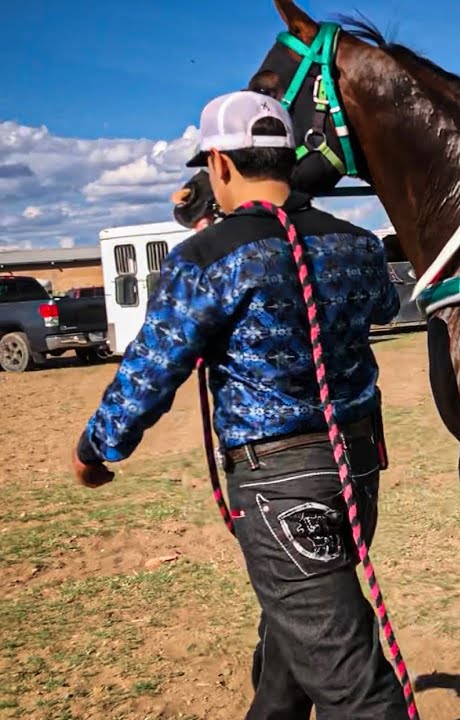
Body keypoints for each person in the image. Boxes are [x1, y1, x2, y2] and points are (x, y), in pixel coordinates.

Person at [72, 90, 408, 719]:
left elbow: (152, 368)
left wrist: (97, 447)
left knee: (351, 680)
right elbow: (386, 308)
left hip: (279, 482)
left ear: (220, 165)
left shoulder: (207, 258)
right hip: (357, 463)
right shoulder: (358, 246)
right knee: (295, 638)